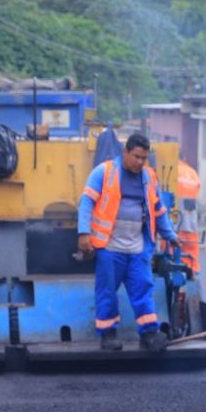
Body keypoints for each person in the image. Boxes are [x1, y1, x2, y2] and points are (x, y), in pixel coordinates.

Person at [77, 132, 178, 351]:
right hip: (109, 247)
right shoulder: (103, 172)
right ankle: (108, 334)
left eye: (144, 158)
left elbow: (159, 210)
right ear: (125, 153)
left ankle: (149, 334)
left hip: (138, 247)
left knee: (143, 287)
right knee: (107, 291)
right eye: (136, 157)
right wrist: (84, 233)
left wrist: (170, 235)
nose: (140, 162)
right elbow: (86, 203)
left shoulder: (149, 177)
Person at [175, 160, 202, 275]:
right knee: (191, 254)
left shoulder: (171, 170)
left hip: (176, 222)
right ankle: (192, 271)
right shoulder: (192, 173)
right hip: (191, 223)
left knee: (173, 251)